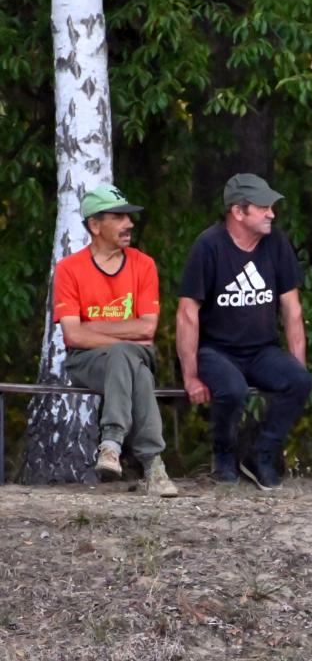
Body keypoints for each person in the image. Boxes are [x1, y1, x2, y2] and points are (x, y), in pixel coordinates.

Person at [176, 174, 312, 490]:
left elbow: (292, 309)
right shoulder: (208, 246)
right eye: (263, 207)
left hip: (262, 350)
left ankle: (261, 453)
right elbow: (186, 313)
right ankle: (223, 456)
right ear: (238, 212)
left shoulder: (276, 243)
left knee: (300, 381)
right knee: (232, 389)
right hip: (215, 350)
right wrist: (190, 375)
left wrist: (298, 364)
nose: (271, 214)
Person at [52, 184, 176, 497]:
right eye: (119, 217)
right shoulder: (68, 269)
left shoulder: (143, 264)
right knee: (136, 370)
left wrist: (92, 326)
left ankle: (111, 444)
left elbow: (148, 327)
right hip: (86, 360)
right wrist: (123, 334)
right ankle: (154, 467)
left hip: (135, 353)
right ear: (95, 225)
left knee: (124, 356)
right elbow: (72, 335)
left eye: (129, 217)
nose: (129, 224)